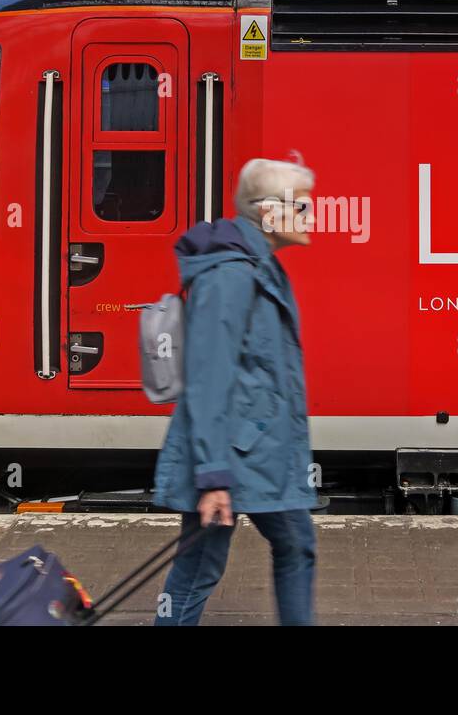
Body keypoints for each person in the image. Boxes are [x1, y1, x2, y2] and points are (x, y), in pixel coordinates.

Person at [152, 156, 319, 626]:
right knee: (207, 564)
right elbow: (208, 376)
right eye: (302, 207)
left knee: (287, 547)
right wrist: (212, 477)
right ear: (269, 213)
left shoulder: (256, 265)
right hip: (234, 454)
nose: (312, 216)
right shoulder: (231, 275)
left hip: (253, 448)